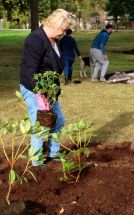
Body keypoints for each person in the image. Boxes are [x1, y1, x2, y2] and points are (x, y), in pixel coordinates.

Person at [19, 9, 72, 166]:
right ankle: (36, 161)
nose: (65, 32)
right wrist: (41, 93)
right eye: (64, 28)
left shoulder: (55, 40)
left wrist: (50, 92)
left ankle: (54, 153)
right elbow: (29, 72)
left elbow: (57, 65)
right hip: (33, 89)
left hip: (50, 90)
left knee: (58, 120)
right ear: (56, 24)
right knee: (40, 124)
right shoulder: (36, 40)